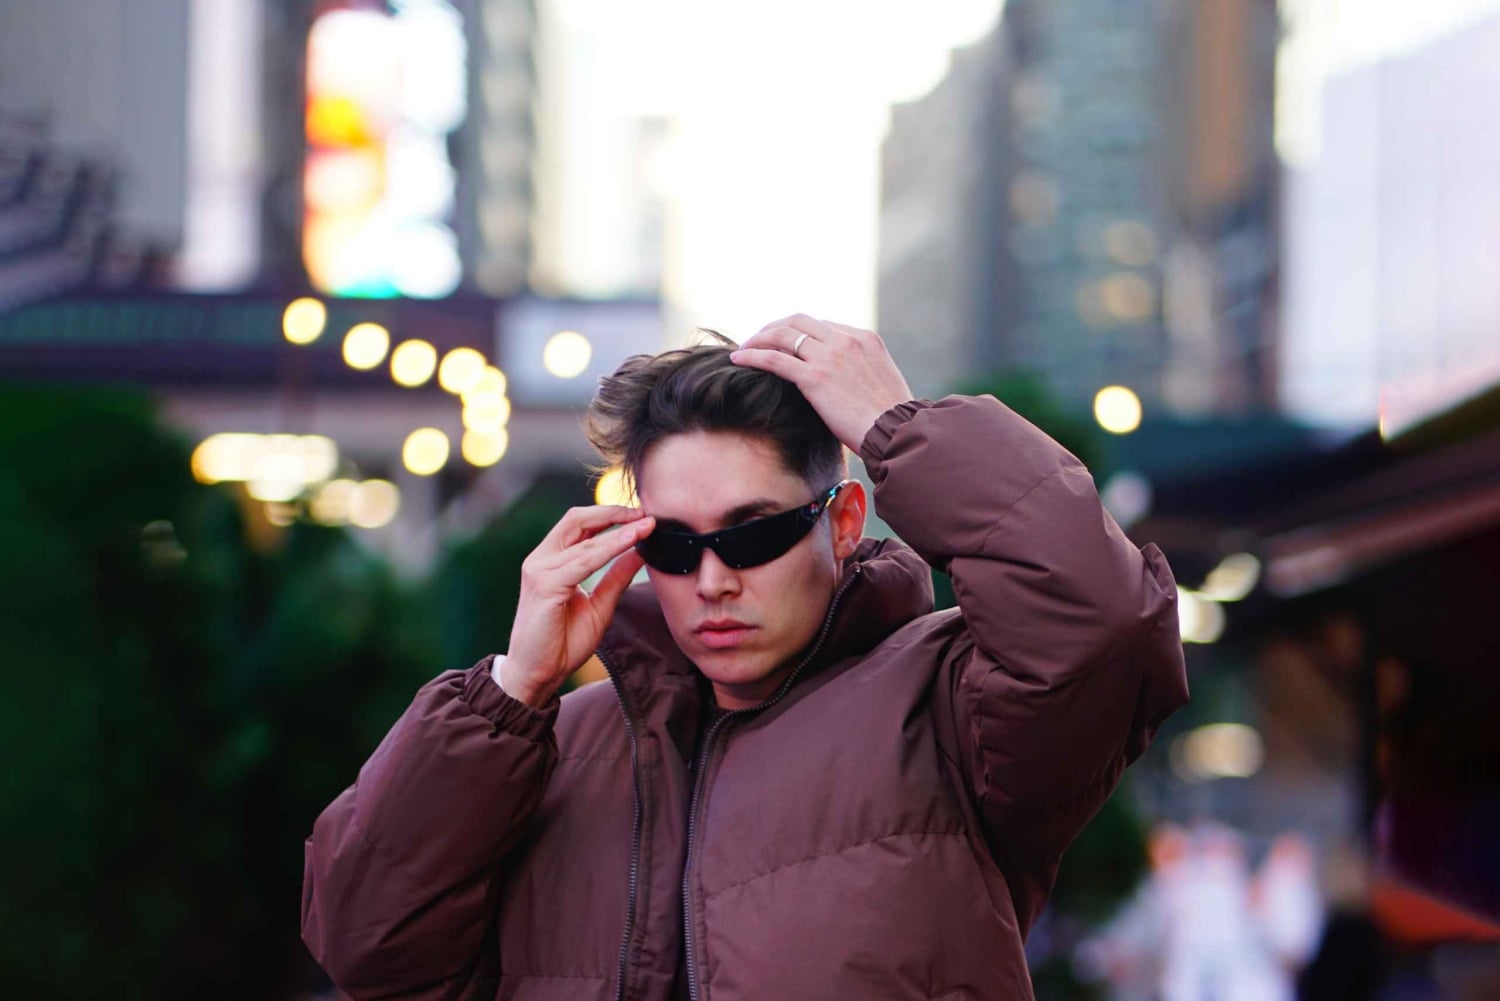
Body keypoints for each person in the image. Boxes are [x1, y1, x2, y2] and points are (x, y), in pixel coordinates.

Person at [301, 316, 1190, 1000]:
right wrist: (510, 693)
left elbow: (1103, 625)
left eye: (754, 532)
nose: (714, 579)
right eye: (674, 546)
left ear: (843, 523)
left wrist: (898, 427)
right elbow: (365, 942)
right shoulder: (548, 745)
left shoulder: (951, 705)